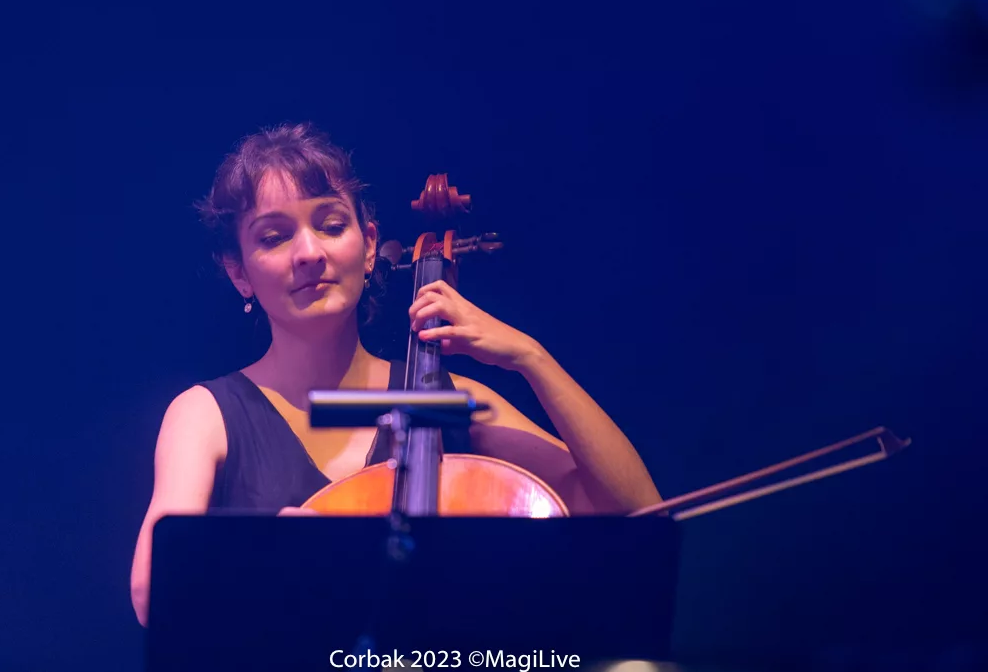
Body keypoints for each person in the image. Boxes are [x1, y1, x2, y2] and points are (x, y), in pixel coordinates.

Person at [129, 122, 663, 627]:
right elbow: (154, 591)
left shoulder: (449, 399)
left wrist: (531, 358)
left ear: (368, 245)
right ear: (239, 273)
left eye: (331, 226)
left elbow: (633, 511)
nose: (309, 253)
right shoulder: (206, 414)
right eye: (274, 237)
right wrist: (268, 558)